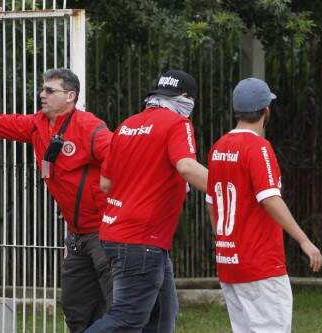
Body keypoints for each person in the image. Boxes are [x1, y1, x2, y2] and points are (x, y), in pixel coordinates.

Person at [0, 68, 113, 332]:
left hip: (105, 231)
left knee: (118, 305)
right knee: (77, 310)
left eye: (50, 91)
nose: (42, 95)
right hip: (76, 234)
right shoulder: (36, 124)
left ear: (70, 96)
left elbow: (119, 157)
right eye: (42, 89)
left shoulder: (89, 127)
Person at [86, 70, 208, 333]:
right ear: (185, 98)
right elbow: (187, 166)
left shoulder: (127, 124)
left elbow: (105, 183)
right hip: (141, 239)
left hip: (118, 233)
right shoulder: (178, 124)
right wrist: (228, 191)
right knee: (127, 319)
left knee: (163, 317)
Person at [205, 78, 322, 332]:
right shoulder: (258, 148)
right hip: (260, 265)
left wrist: (223, 241)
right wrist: (304, 240)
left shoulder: (218, 148)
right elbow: (269, 198)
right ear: (265, 111)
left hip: (230, 263)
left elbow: (211, 201)